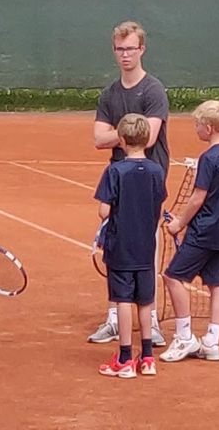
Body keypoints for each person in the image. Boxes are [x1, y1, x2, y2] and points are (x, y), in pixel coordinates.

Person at [89, 20, 169, 347]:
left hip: (149, 179)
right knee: (115, 245)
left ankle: (151, 321)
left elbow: (148, 137)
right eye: (120, 49)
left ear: (142, 50)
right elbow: (98, 139)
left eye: (131, 49)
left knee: (148, 245)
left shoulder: (153, 91)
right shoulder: (110, 94)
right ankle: (114, 317)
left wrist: (117, 135)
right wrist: (128, 135)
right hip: (119, 178)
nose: (125, 55)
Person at [160, 100, 219, 363]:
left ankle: (185, 337)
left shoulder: (208, 158)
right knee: (218, 284)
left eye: (197, 124)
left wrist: (178, 224)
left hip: (203, 233)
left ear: (208, 127)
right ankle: (212, 342)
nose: (195, 128)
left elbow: (198, 197)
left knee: (172, 277)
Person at [95, 114, 167, 378]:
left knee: (123, 300)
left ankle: (125, 358)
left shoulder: (115, 171)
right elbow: (158, 206)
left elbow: (104, 211)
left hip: (121, 247)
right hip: (146, 247)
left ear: (122, 141)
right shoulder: (156, 171)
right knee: (145, 301)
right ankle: (147, 358)